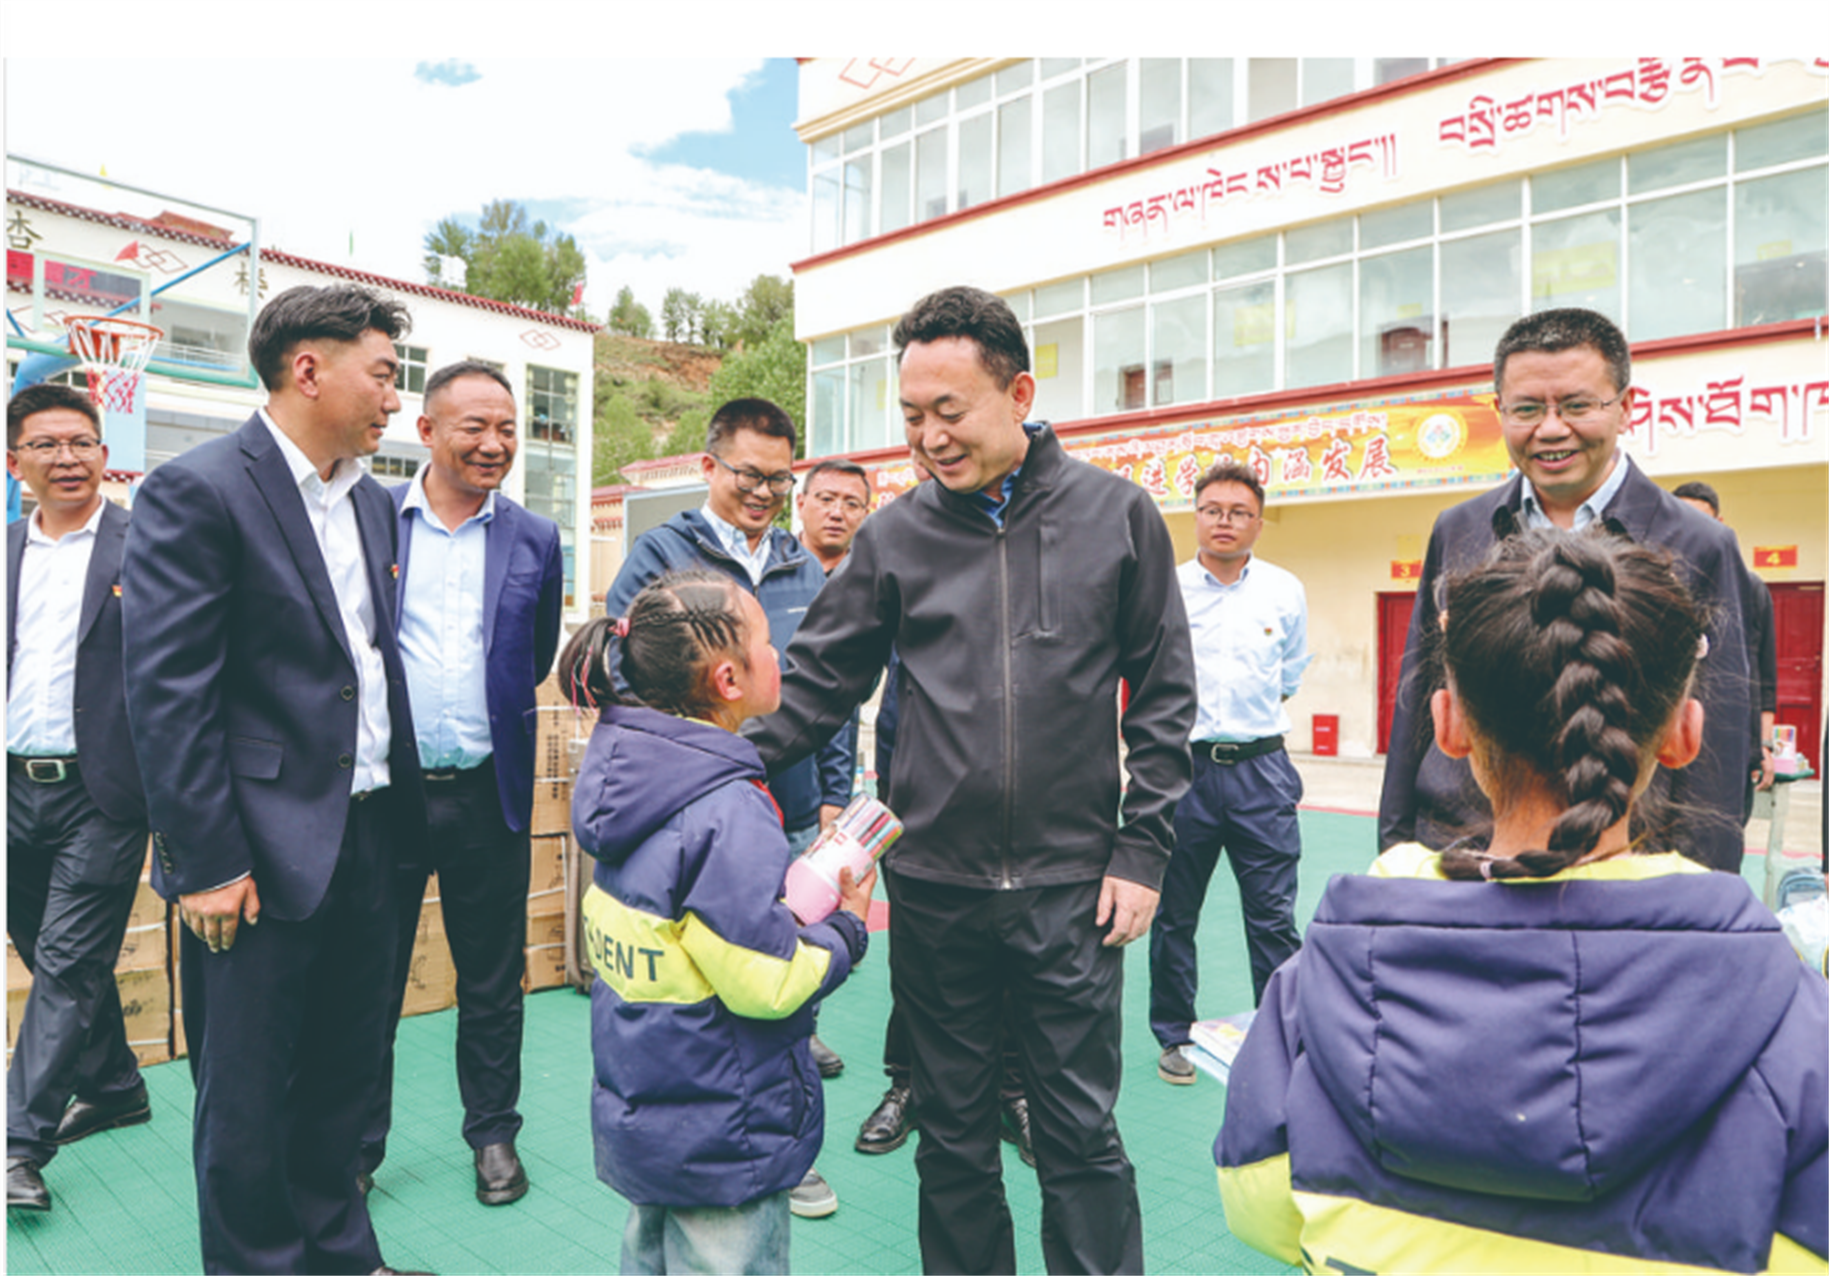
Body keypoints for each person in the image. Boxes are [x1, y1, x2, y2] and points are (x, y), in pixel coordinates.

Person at [1218, 528, 1828, 1273]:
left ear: (1447, 724)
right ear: (1684, 733)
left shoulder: (1320, 977)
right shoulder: (1790, 1017)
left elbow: (1258, 1202)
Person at [746, 285, 1197, 1274]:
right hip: (936, 890)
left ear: (1018, 394)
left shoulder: (1116, 517)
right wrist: (708, 762)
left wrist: (1140, 850)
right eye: (911, 415)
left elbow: (1164, 697)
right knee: (950, 1136)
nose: (927, 437)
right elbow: (816, 681)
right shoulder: (895, 535)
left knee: (1078, 1134)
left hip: (1072, 891)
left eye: (948, 411)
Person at [122, 285, 430, 1276]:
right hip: (253, 852)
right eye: (383, 374)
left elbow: (363, 666)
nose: (395, 398)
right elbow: (168, 694)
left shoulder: (373, 501)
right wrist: (207, 863)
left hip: (370, 834)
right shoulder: (199, 489)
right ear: (308, 369)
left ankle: (342, 1255)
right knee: (249, 1096)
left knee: (345, 1075)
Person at [563, 570, 874, 1276]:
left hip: (645, 1103)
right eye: (767, 642)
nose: (780, 655)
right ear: (728, 680)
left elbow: (682, 929)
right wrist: (846, 930)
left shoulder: (623, 770)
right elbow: (766, 982)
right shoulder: (726, 806)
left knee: (649, 1254)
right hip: (724, 1122)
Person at [1378, 307, 1754, 872]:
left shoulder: (1699, 544)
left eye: (1578, 406)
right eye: (1527, 409)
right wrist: (1396, 839)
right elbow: (1421, 688)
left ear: (1626, 406)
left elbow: (1719, 729)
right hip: (1464, 846)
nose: (1551, 429)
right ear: (1500, 411)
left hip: (1623, 856)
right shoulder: (1459, 529)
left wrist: (1706, 881)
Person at [603, 397, 852, 1219]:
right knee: (711, 995)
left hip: (785, 804)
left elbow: (832, 690)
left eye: (781, 479)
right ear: (708, 466)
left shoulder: (803, 567)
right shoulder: (661, 554)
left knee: (779, 975)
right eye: (750, 474)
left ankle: (782, 1137)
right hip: (696, 806)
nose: (764, 492)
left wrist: (833, 795)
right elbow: (629, 676)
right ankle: (727, 1145)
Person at [360, 361, 564, 1205]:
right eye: (474, 426)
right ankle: (356, 1147)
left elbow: (535, 654)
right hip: (385, 796)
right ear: (427, 431)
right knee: (368, 981)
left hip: (488, 794)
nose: (494, 443)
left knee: (491, 979)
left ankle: (493, 1135)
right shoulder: (370, 519)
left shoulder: (535, 537)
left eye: (507, 428)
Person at [6, 384, 150, 1213]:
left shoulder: (146, 546)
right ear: (14, 462)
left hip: (103, 794)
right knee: (42, 947)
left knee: (65, 965)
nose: (67, 459)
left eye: (81, 443)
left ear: (104, 453)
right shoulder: (5, 549)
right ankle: (116, 1085)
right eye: (46, 445)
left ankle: (17, 1147)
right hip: (12, 788)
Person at [1151, 460, 1311, 1087]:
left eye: (1240, 512)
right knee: (1175, 914)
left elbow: (1290, 673)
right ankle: (1173, 1034)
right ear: (1196, 516)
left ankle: (1280, 1036)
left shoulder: (1284, 590)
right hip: (1181, 771)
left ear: (1258, 523)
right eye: (1213, 510)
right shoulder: (1166, 588)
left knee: (1272, 916)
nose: (1225, 521)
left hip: (1260, 771)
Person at [794, 457, 872, 1079]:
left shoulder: (867, 583)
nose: (837, 512)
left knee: (811, 905)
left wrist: (835, 794)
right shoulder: (775, 573)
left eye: (852, 503)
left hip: (815, 783)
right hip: (755, 770)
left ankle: (805, 1027)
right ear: (801, 503)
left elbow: (846, 703)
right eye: (826, 498)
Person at [1671, 480, 1778, 817]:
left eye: (1700, 522)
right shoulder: (1650, 586)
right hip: (1666, 745)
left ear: (1719, 525)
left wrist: (1763, 745)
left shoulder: (1750, 588)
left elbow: (1763, 676)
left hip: (1728, 745)